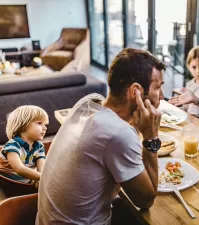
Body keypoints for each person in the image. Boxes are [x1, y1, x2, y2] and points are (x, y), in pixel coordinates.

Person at [36, 48, 165, 225]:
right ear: (136, 91)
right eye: (158, 87)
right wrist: (151, 138)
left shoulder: (88, 103)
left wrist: (136, 128)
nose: (162, 96)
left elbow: (111, 140)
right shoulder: (118, 133)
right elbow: (146, 200)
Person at [0, 105, 48, 183]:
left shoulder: (39, 147)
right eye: (39, 123)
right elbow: (19, 169)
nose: (45, 128)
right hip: (9, 184)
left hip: (28, 182)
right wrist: (44, 179)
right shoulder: (13, 145)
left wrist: (41, 179)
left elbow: (41, 170)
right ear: (23, 124)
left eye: (45, 124)